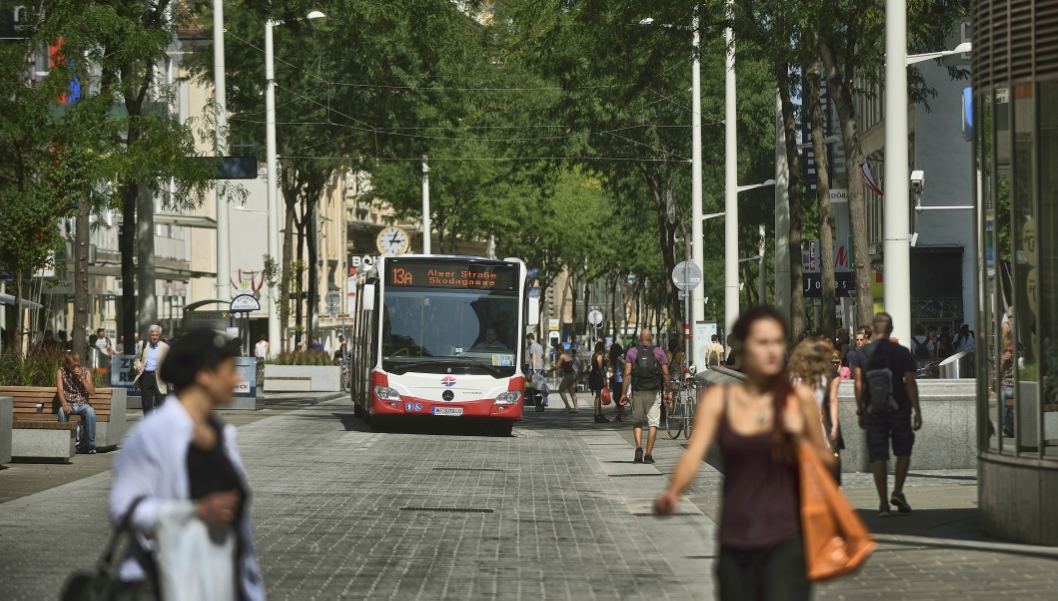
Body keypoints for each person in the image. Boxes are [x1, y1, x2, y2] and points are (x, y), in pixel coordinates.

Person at [655, 307, 833, 600]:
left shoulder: (799, 399)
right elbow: (692, 455)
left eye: (778, 342)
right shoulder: (719, 401)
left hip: (787, 537)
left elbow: (827, 465)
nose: (772, 350)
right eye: (762, 343)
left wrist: (801, 438)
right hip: (735, 539)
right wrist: (672, 492)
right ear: (743, 348)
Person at [109, 328, 265, 600]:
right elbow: (122, 509)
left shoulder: (221, 434)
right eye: (230, 370)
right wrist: (195, 512)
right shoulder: (153, 434)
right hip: (168, 583)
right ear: (205, 375)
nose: (237, 378)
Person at [854, 313, 922, 517]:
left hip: (873, 410)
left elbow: (858, 384)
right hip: (900, 408)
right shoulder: (902, 352)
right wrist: (917, 410)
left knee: (878, 455)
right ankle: (898, 491)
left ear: (873, 330)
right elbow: (910, 382)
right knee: (903, 450)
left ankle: (883, 504)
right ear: (891, 329)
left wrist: (860, 410)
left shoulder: (861, 354)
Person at [621, 328, 671, 464]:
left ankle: (638, 448)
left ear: (639, 338)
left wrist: (623, 394)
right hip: (654, 391)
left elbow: (626, 374)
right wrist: (668, 392)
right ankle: (648, 454)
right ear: (652, 337)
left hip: (637, 391)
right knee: (653, 422)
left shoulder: (632, 352)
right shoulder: (658, 352)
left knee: (637, 420)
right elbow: (666, 374)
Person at [57, 351, 98, 454]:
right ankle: (63, 443)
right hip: (69, 402)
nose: (76, 367)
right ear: (67, 364)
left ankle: (91, 444)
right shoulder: (61, 372)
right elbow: (60, 390)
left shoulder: (85, 372)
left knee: (90, 411)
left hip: (82, 403)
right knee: (62, 411)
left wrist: (81, 377)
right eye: (73, 365)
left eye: (78, 365)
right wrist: (64, 404)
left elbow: (92, 392)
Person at [132, 325, 171, 414]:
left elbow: (169, 363)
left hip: (160, 377)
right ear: (150, 335)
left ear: (159, 335)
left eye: (156, 335)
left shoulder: (165, 347)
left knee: (160, 402)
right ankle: (148, 423)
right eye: (153, 335)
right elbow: (137, 359)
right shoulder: (143, 344)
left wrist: (170, 382)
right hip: (146, 376)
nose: (154, 337)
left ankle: (158, 422)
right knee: (147, 403)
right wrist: (138, 366)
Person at [546, 342, 579, 413]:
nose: (556, 352)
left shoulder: (562, 356)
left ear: (559, 350)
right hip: (573, 374)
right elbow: (565, 366)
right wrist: (557, 367)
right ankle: (576, 408)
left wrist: (548, 371)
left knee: (561, 390)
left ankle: (567, 406)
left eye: (557, 350)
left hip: (569, 375)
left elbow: (557, 366)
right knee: (572, 392)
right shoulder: (567, 355)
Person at [589, 341, 610, 423]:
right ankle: (598, 414)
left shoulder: (595, 355)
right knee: (598, 395)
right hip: (597, 376)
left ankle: (599, 413)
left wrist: (605, 361)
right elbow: (600, 368)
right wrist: (603, 378)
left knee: (598, 395)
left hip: (594, 375)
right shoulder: (600, 356)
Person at [608, 342, 627, 422]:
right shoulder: (617, 358)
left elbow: (626, 364)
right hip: (618, 380)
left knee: (616, 397)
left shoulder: (619, 357)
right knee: (618, 398)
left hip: (620, 381)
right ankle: (619, 416)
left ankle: (623, 413)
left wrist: (623, 371)